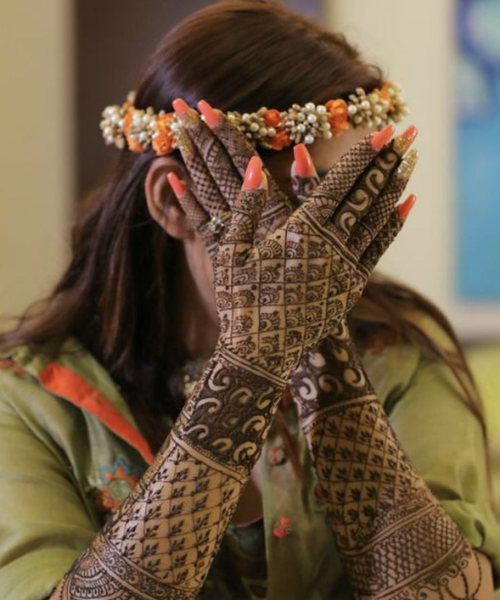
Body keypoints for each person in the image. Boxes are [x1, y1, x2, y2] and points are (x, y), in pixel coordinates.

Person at [0, 2, 498, 599]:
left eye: (361, 209)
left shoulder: (403, 352)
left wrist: (320, 349)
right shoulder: (31, 403)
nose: (343, 253)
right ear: (172, 200)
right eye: (315, 209)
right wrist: (251, 363)